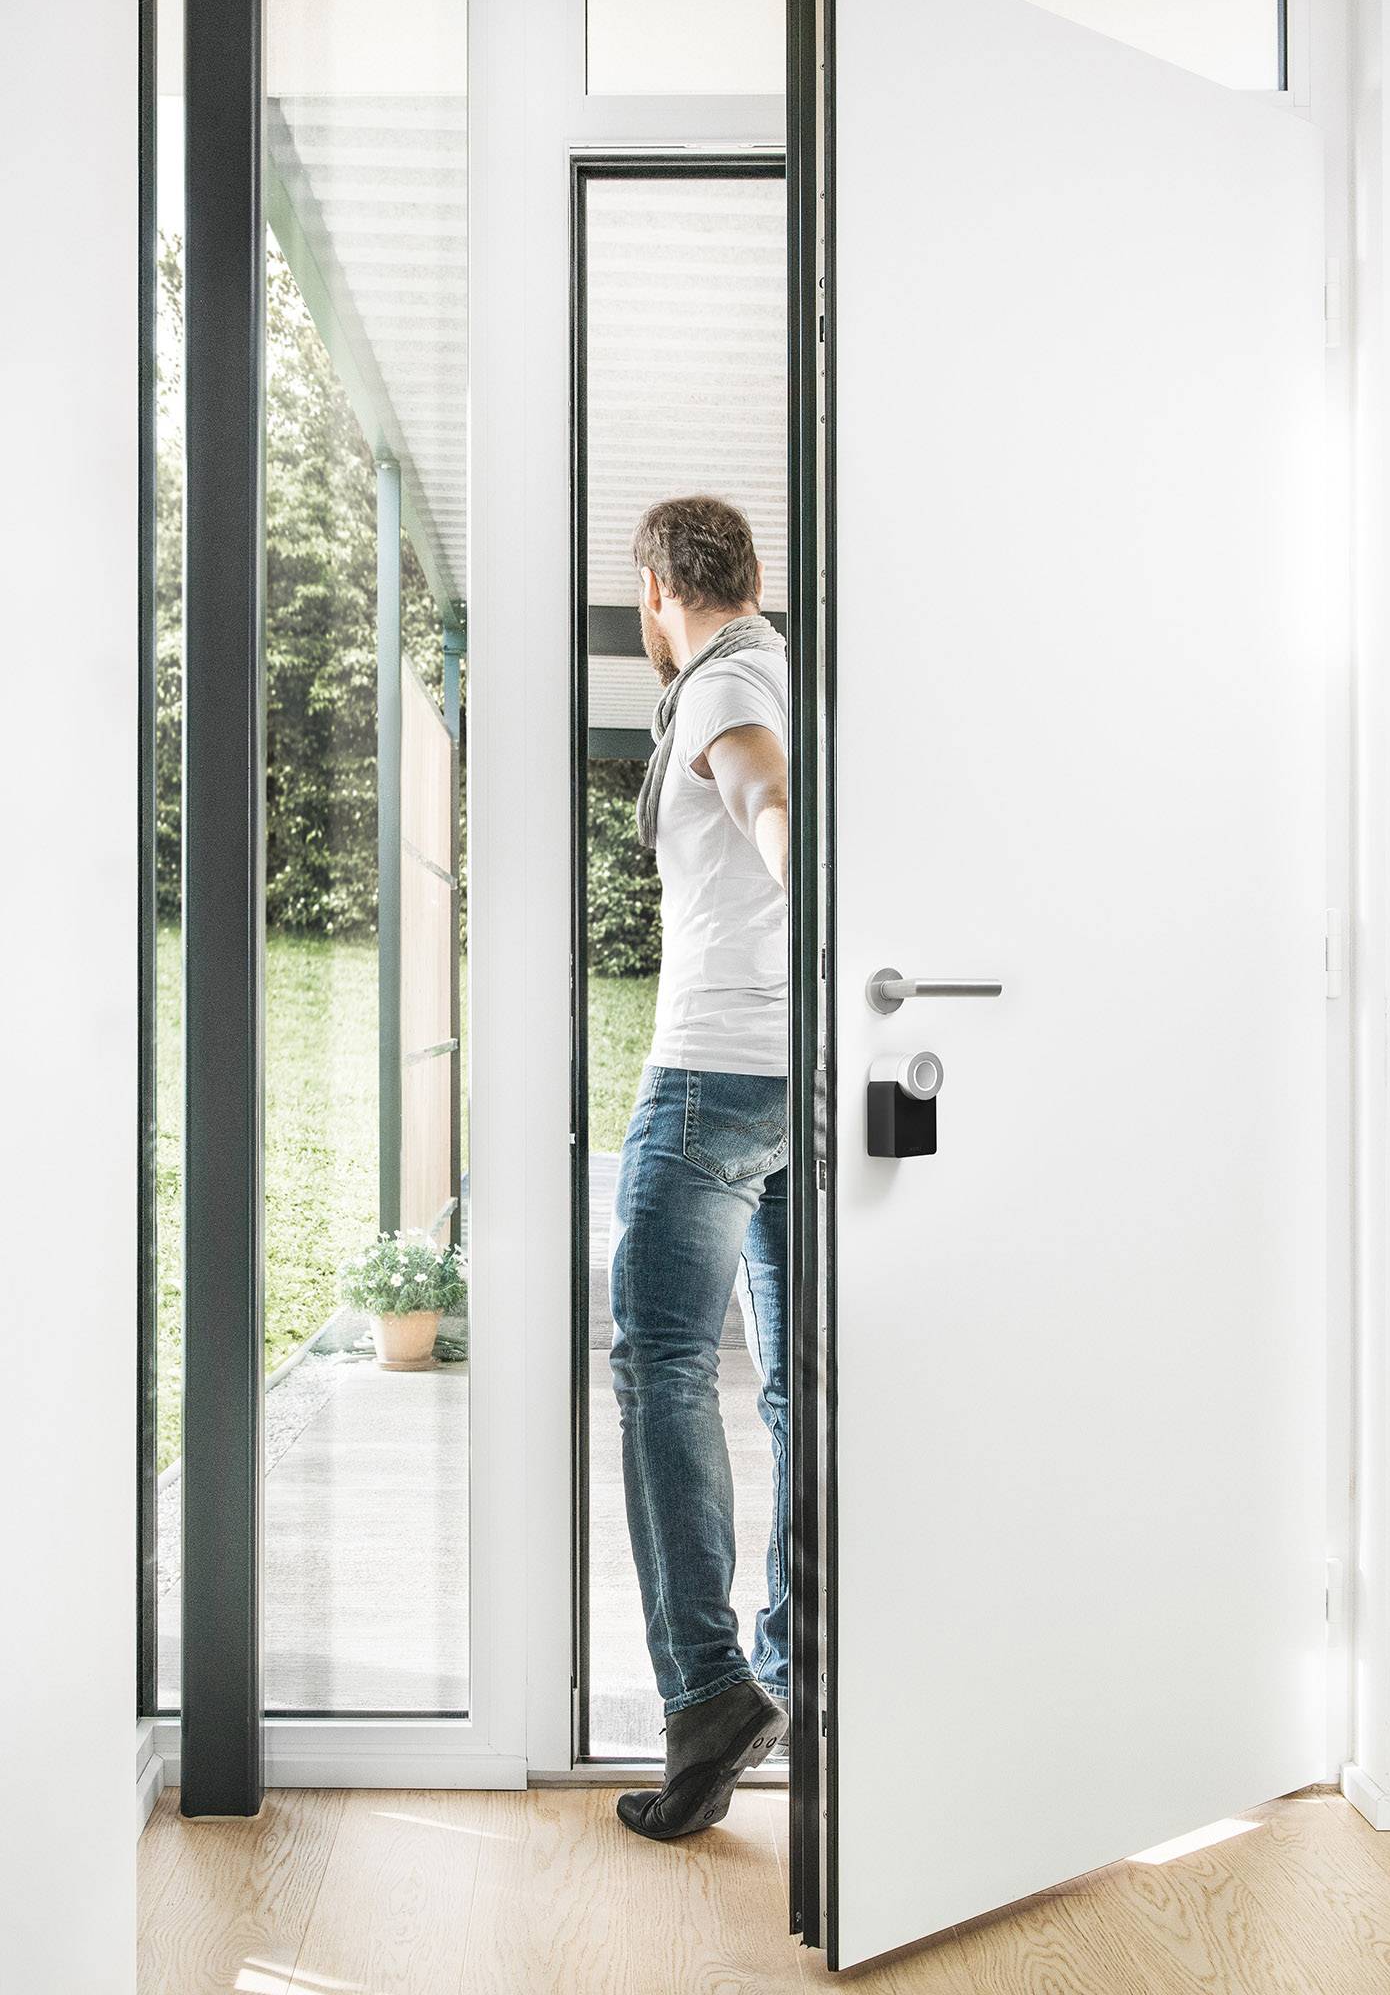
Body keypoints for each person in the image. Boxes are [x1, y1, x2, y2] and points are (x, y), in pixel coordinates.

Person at [610, 496, 792, 1841]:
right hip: (801, 1077)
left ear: (665, 584)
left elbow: (760, 791)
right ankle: (796, 1668)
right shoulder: (792, 667)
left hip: (712, 1078)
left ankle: (709, 1690)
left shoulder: (725, 681)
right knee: (794, 1384)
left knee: (662, 1365)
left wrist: (789, 846)